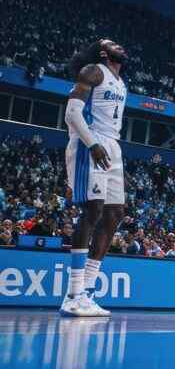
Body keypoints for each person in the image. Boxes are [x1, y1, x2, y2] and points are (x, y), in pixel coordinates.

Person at [60, 39, 129, 317]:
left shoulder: (121, 83)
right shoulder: (92, 71)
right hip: (89, 141)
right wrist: (92, 144)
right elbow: (72, 113)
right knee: (93, 210)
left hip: (112, 145)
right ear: (103, 52)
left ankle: (87, 293)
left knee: (115, 214)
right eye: (113, 43)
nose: (119, 46)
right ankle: (73, 295)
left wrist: (109, 151)